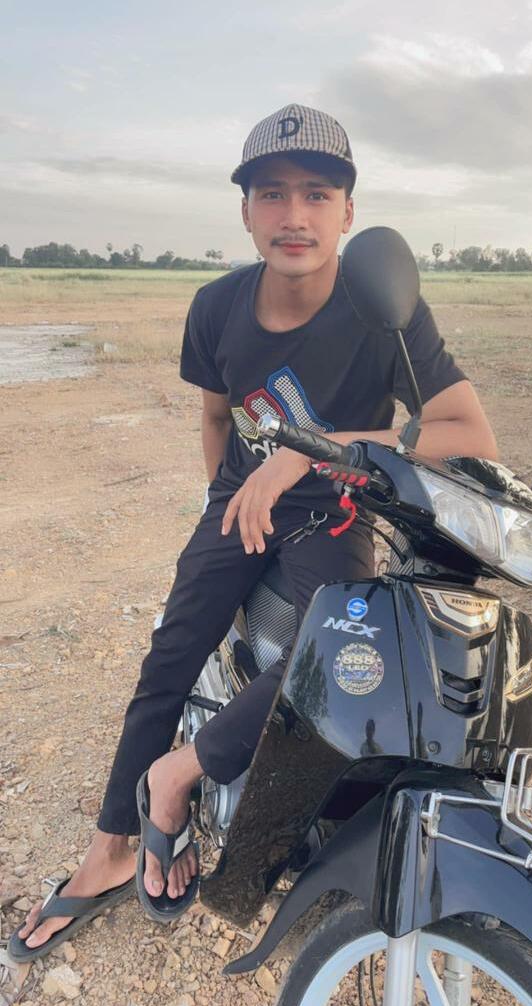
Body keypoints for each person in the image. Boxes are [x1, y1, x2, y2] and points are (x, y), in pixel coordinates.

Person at [11, 103, 498, 956]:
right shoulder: (216, 306)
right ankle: (108, 850)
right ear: (245, 211)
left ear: (348, 210)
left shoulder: (385, 313)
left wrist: (316, 454)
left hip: (337, 510)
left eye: (317, 193)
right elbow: (215, 416)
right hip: (243, 500)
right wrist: (225, 507)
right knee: (170, 652)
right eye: (271, 193)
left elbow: (470, 435)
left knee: (340, 657)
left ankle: (181, 771)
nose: (294, 215)